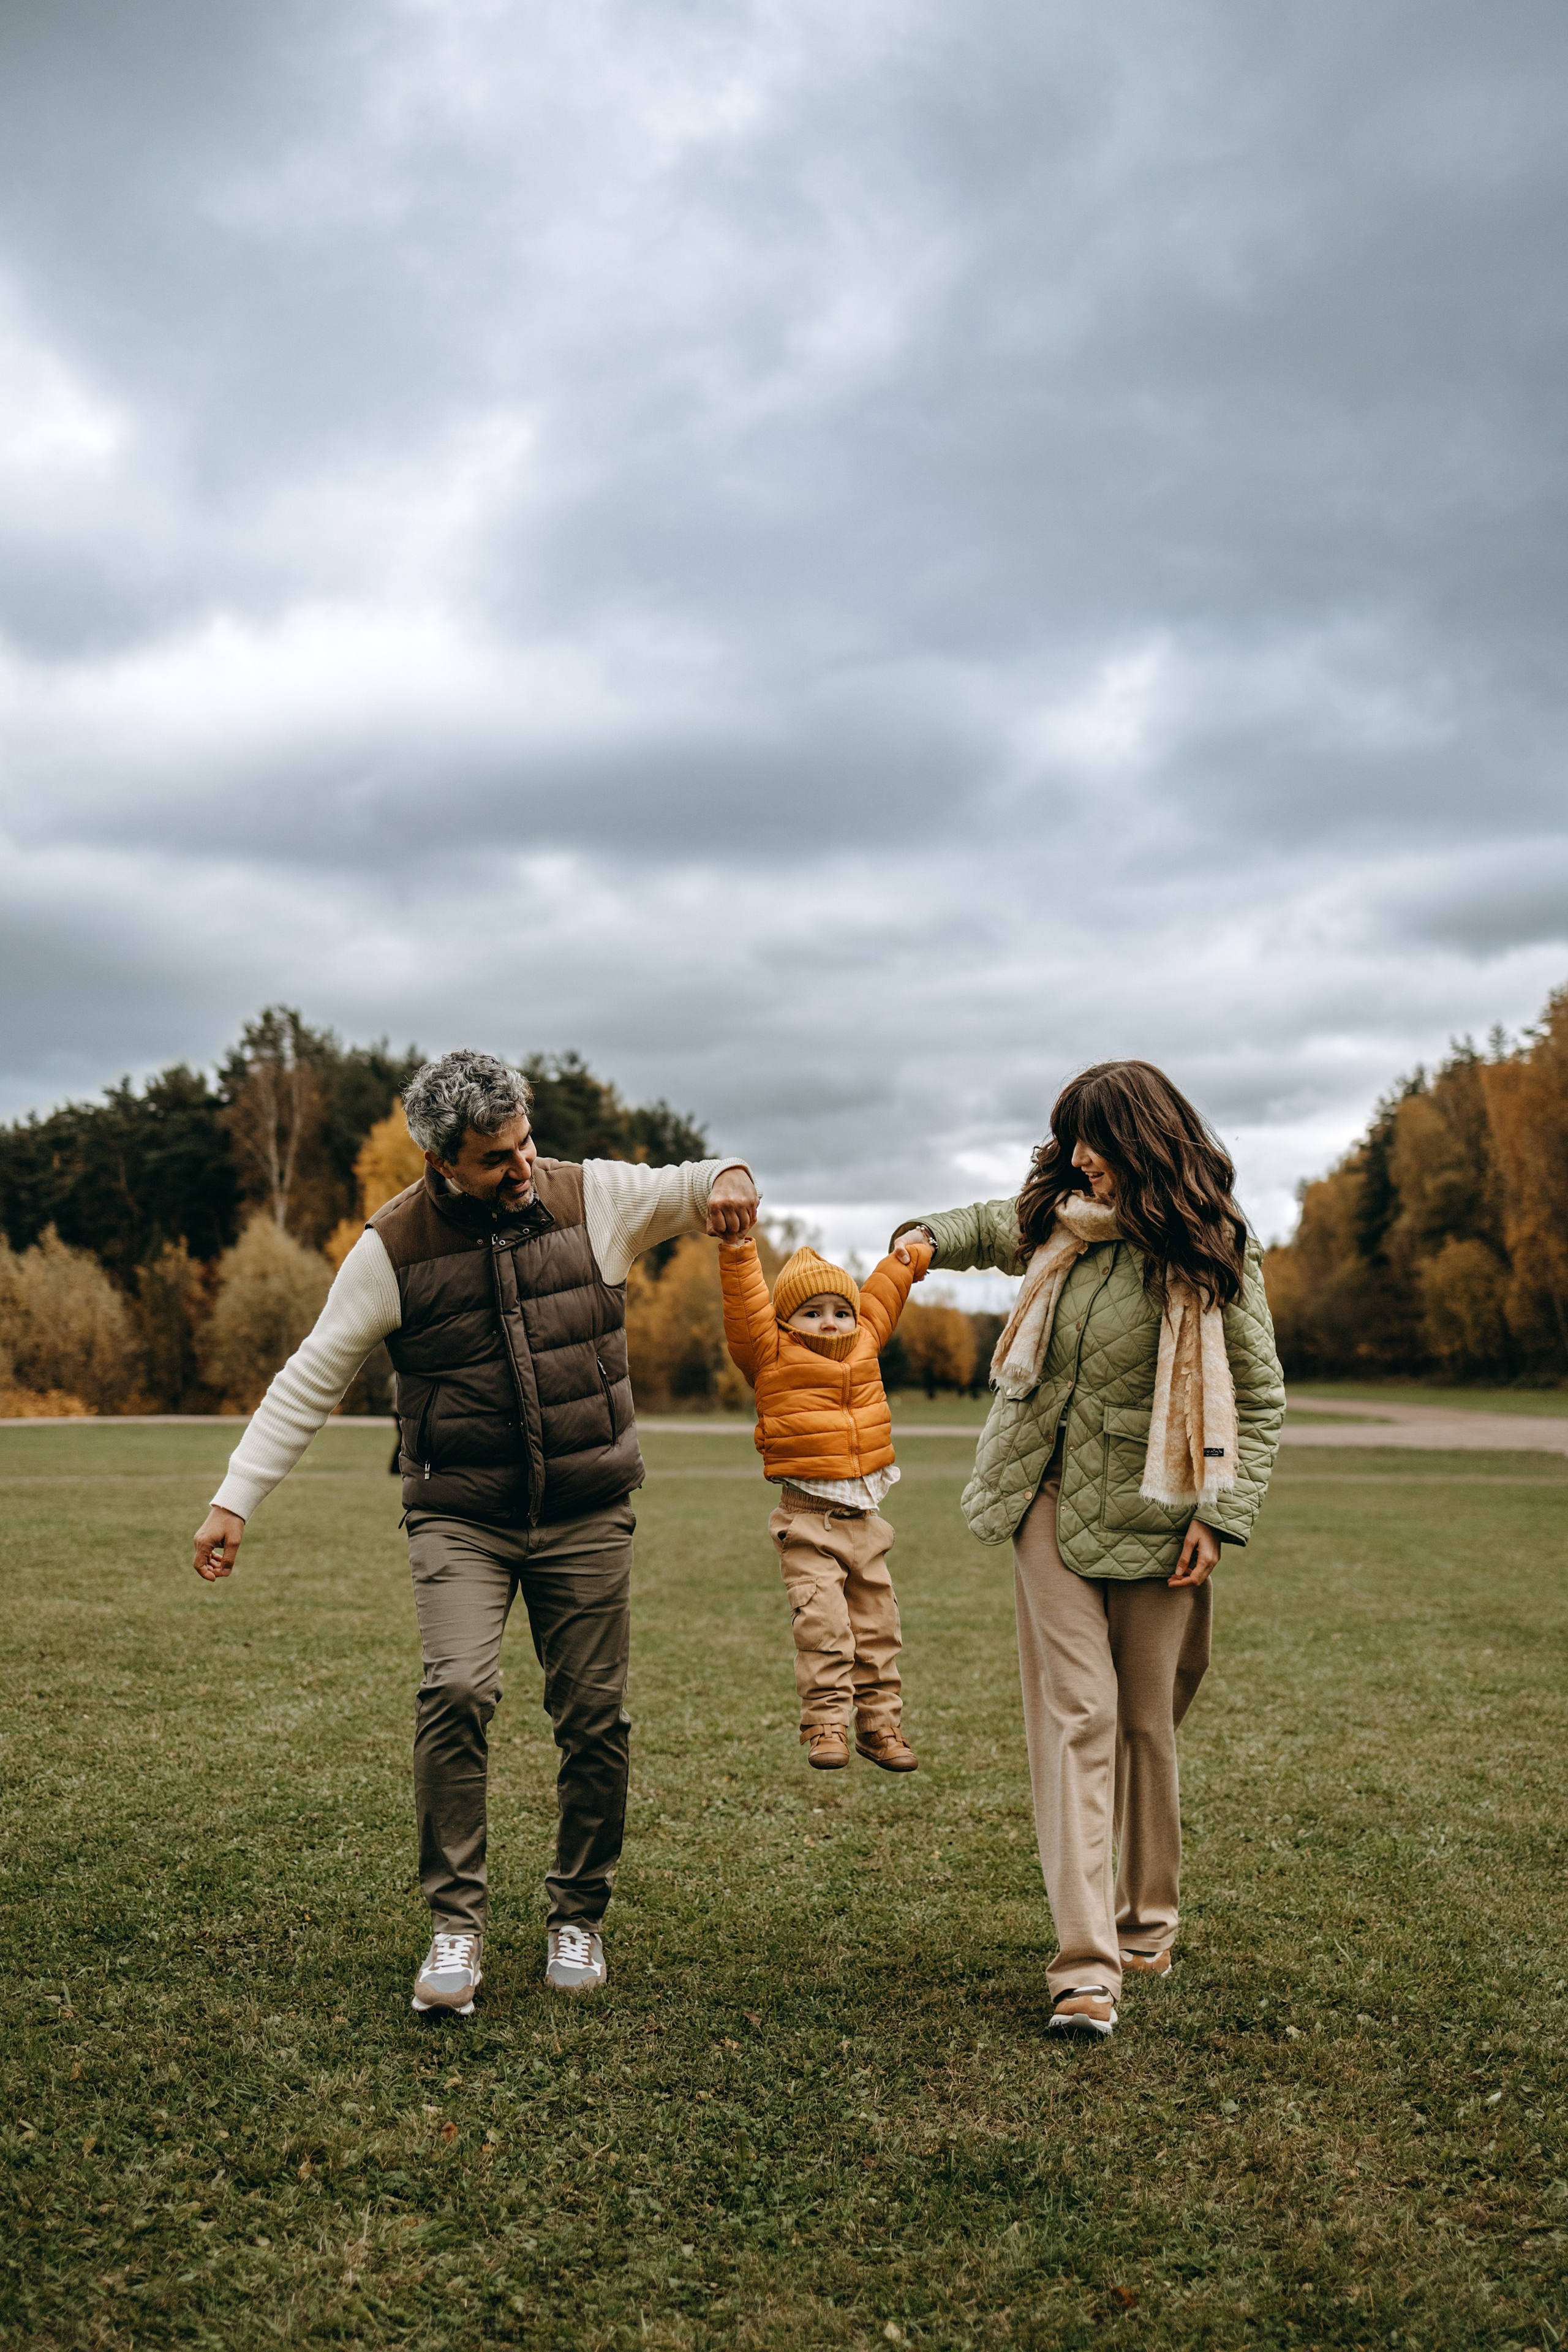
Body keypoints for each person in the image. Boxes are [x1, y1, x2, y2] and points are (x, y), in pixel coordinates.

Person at [189, 1048, 758, 2018]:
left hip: (586, 1512)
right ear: (443, 1161)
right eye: (498, 1158)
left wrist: (730, 1180)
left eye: (526, 1142)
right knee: (456, 1688)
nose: (523, 1166)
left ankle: (577, 1913)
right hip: (460, 1516)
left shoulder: (595, 1199)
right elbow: (311, 1375)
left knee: (594, 1721)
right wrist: (234, 1498)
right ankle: (455, 1925)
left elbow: (695, 1184)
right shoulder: (392, 1250)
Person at [891, 1061, 1284, 2041]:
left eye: (1094, 1141)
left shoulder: (1214, 1245)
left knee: (1148, 1721)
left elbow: (1260, 1391)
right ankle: (1084, 1968)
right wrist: (925, 1236)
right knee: (1081, 1714)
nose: (1078, 1159)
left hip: (1166, 1508)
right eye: (1069, 1140)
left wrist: (1222, 1516)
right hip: (1047, 1499)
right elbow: (994, 1222)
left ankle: (1147, 1916)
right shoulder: (1058, 1220)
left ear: (1145, 1142)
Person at [718, 1238, 931, 1772]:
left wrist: (911, 1255)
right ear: (787, 1323)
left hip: (867, 1524)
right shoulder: (770, 1353)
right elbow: (745, 1308)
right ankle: (825, 1724)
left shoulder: (866, 1343)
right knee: (825, 1628)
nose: (831, 1322)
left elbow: (883, 1294)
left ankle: (880, 1726)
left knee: (880, 1631)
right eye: (812, 1313)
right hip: (808, 1521)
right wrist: (739, 1247)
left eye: (840, 1312)